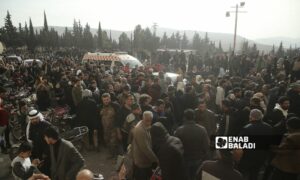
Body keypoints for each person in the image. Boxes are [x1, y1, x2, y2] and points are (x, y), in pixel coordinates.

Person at [175, 109, 210, 180]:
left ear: (184, 117)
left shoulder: (179, 130)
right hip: (198, 158)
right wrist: (203, 156)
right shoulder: (202, 129)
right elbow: (206, 146)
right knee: (196, 177)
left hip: (184, 159)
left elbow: (175, 147)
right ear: (194, 117)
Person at [238, 109, 273, 180]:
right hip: (262, 156)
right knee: (255, 174)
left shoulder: (247, 128)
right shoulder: (269, 127)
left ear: (251, 117)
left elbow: (240, 143)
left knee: (242, 174)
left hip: (248, 156)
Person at [132, 111, 158, 180]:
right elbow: (145, 148)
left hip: (145, 160)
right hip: (142, 161)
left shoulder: (144, 124)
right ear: (143, 118)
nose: (149, 122)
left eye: (150, 120)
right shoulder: (140, 130)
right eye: (147, 120)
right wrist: (156, 160)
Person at [26, 109, 51, 175]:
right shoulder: (31, 126)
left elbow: (52, 140)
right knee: (43, 170)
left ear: (39, 117)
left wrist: (46, 153)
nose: (34, 120)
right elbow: (31, 139)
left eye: (35, 118)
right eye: (32, 119)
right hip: (38, 153)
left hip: (48, 152)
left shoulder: (46, 125)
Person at [99, 93, 120, 157]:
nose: (106, 101)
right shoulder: (100, 107)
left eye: (107, 99)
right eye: (104, 100)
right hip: (105, 129)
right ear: (102, 100)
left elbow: (119, 118)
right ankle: (112, 154)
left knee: (113, 142)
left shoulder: (115, 106)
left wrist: (118, 130)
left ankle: (117, 157)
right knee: (107, 141)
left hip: (114, 128)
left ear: (110, 99)